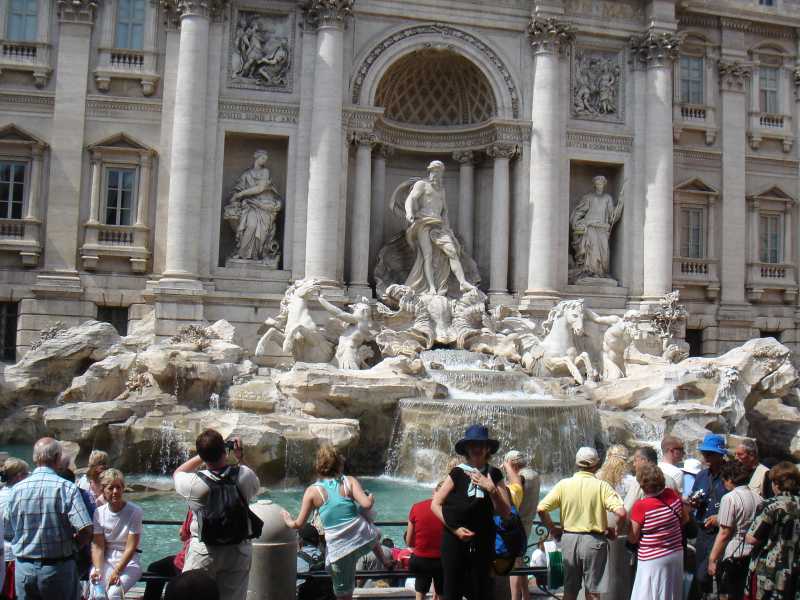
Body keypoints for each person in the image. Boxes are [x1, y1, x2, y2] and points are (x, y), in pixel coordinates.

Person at [282, 445, 387, 600]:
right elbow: (366, 504)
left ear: (319, 465)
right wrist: (370, 498)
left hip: (339, 549)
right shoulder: (349, 481)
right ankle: (385, 561)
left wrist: (287, 519)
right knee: (367, 524)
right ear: (339, 464)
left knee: (343, 594)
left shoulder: (312, 491)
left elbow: (298, 524)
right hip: (363, 538)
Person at [174, 430, 260, 600]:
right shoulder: (244, 475)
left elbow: (177, 472)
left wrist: (202, 455)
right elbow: (255, 484)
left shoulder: (194, 483)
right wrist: (239, 456)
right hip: (238, 550)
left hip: (204, 551)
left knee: (191, 596)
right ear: (224, 451)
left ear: (202, 454)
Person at [3, 438, 92, 600]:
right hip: (58, 568)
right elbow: (86, 529)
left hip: (24, 568)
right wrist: (73, 545)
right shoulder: (67, 488)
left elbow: (7, 528)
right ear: (57, 458)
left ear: (34, 458)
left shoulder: (16, 490)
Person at [431, 425, 511, 600]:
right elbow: (435, 504)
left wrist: (492, 490)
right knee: (452, 592)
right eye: (472, 444)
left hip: (483, 542)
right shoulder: (457, 472)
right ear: (466, 448)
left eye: (481, 444)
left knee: (481, 591)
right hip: (453, 540)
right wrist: (454, 529)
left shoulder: (494, 474)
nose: (477, 448)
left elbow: (506, 512)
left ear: (488, 448)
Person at [537, 447, 626, 600]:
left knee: (569, 591)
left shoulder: (564, 484)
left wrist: (552, 528)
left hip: (569, 540)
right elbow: (621, 513)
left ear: (577, 463)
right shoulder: (602, 486)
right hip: (594, 542)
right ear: (596, 464)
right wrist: (615, 531)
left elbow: (541, 508)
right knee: (593, 593)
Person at [401, 160, 476, 295]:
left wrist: (447, 227)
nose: (436, 174)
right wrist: (409, 212)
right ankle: (431, 287)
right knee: (428, 255)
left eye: (439, 172)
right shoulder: (422, 184)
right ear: (429, 172)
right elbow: (411, 199)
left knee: (452, 251)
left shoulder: (441, 190)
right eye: (434, 171)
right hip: (423, 222)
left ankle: (462, 282)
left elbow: (444, 210)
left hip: (439, 225)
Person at [628, 463, 688, 600]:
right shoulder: (672, 495)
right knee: (670, 594)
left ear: (642, 485)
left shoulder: (641, 506)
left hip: (652, 559)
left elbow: (633, 538)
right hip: (675, 554)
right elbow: (685, 519)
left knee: (648, 594)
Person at [708, 461, 763, 600]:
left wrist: (712, 558)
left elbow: (724, 533)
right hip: (753, 555)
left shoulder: (729, 498)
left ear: (729, 479)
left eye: (724, 480)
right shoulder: (759, 498)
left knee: (728, 595)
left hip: (734, 555)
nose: (724, 484)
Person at [745, 461, 800, 600]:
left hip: (770, 570)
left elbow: (752, 538)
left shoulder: (771, 505)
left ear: (776, 483)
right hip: (795, 569)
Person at [89, 469, 143, 599]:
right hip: (106, 560)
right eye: (110, 488)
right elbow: (98, 546)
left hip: (129, 562)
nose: (115, 491)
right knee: (97, 592)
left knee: (114, 593)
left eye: (118, 487)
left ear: (123, 489)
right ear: (103, 490)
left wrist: (117, 571)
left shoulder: (135, 511)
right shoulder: (99, 513)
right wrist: (98, 570)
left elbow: (131, 547)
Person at [689, 433, 729, 600]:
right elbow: (693, 497)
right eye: (704, 453)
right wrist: (693, 503)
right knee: (700, 575)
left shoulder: (730, 476)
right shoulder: (701, 476)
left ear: (720, 455)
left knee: (709, 574)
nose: (706, 457)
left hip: (721, 533)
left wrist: (719, 518)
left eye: (710, 454)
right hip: (702, 532)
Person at [226, 150, 283, 264]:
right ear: (256, 157)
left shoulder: (265, 172)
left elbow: (260, 188)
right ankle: (243, 253)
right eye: (263, 158)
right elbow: (238, 188)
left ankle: (257, 254)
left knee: (261, 230)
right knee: (251, 226)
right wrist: (235, 196)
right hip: (250, 205)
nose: (264, 161)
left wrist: (241, 194)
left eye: (265, 159)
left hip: (265, 205)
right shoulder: (246, 174)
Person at [597, 445, 636, 600]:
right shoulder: (632, 481)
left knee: (601, 570)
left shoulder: (596, 478)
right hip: (623, 529)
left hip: (600, 528)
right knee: (621, 572)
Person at [503, 450, 540, 600]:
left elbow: (512, 497)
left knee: (514, 564)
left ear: (512, 464)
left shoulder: (521, 478)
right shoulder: (535, 475)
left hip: (517, 525)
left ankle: (515, 598)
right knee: (520, 560)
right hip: (528, 521)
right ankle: (526, 595)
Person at [569, 174, 623, 278]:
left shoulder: (608, 198)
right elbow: (579, 212)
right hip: (590, 227)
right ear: (594, 185)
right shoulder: (588, 197)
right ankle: (591, 272)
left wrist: (619, 205)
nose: (599, 185)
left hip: (603, 228)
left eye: (601, 183)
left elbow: (612, 216)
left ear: (604, 185)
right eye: (597, 183)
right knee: (592, 250)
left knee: (604, 252)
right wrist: (577, 223)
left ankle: (601, 273)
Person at [142, 510, 193, 600]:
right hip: (207, 559)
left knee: (154, 568)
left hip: (185, 562)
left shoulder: (194, 509)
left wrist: (183, 529)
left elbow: (183, 535)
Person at [406, 486, 444, 600]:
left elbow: (409, 541)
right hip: (443, 561)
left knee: (420, 591)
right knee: (442, 592)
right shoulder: (452, 510)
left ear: (434, 492)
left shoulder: (416, 507)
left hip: (421, 560)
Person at [0, 458, 29, 600]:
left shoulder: (1, 493)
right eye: (26, 474)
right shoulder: (17, 496)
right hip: (13, 554)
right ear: (19, 476)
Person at [625, 446, 680, 512]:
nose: (634, 464)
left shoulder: (640, 482)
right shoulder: (670, 480)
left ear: (644, 460)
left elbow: (627, 510)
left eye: (635, 460)